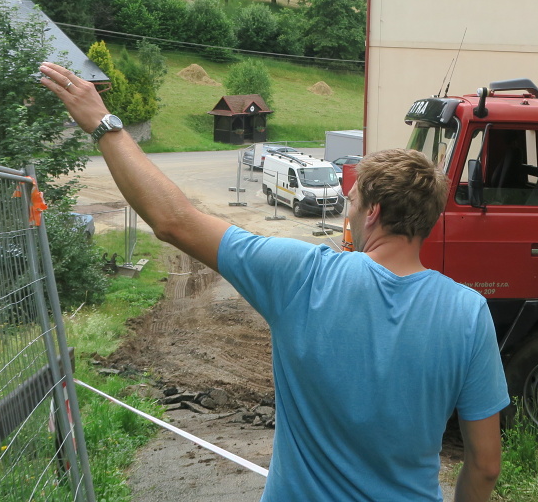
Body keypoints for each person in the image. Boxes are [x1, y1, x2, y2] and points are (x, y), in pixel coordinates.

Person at [38, 62, 508, 502]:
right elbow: (485, 465)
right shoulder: (468, 313)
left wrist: (104, 125)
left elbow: (174, 221)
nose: (349, 212)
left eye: (352, 203)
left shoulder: (302, 275)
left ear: (375, 213)